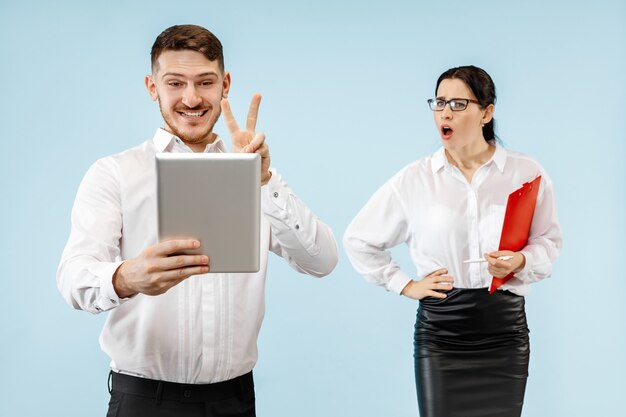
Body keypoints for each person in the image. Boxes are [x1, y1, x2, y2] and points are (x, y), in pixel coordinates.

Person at [57, 24, 338, 417]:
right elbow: (73, 278)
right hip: (144, 402)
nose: (191, 98)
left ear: (225, 85)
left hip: (234, 401)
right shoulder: (115, 173)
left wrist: (263, 182)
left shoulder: (255, 174)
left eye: (205, 82)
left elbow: (321, 261)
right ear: (152, 87)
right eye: (175, 83)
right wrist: (126, 277)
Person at [343, 65, 562, 417]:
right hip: (441, 332)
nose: (445, 112)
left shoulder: (526, 171)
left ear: (486, 113)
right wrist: (404, 284)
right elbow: (358, 239)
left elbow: (548, 241)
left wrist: (520, 261)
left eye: (458, 103)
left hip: (503, 331)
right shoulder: (414, 179)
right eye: (439, 102)